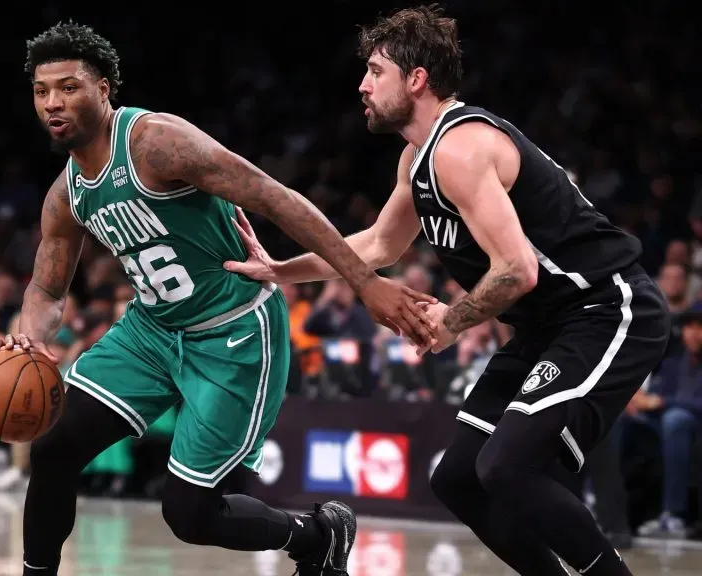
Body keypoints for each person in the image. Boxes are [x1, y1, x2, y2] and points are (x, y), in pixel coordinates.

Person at [224, 6, 669, 576]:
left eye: (376, 71)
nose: (362, 84)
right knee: (457, 477)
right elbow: (380, 244)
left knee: (510, 468)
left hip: (607, 307)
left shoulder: (460, 149)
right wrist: (280, 269)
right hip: (547, 326)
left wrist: (449, 321)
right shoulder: (418, 158)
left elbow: (517, 270)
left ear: (416, 80)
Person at [0, 21, 439, 576]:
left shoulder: (156, 143)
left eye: (69, 87)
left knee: (189, 512)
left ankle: (316, 535)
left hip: (234, 331)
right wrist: (30, 340)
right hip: (151, 333)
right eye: (41, 91)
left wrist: (364, 281)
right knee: (53, 449)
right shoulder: (67, 194)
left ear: (104, 90)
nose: (53, 102)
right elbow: (46, 288)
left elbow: (277, 198)